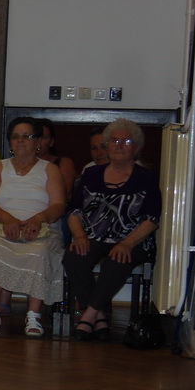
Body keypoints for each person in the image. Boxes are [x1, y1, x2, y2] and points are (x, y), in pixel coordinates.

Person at [64, 118, 160, 341]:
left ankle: (89, 315)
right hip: (94, 236)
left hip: (133, 240)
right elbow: (74, 211)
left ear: (136, 147)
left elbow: (152, 219)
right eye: (114, 141)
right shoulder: (91, 175)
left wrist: (126, 243)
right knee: (74, 256)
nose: (119, 145)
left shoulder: (146, 177)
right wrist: (79, 235)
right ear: (107, 146)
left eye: (126, 141)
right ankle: (99, 317)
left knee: (117, 260)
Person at [0, 117, 67, 337]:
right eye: (15, 137)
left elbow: (59, 205)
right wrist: (7, 219)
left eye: (27, 136)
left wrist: (38, 219)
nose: (20, 140)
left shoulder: (50, 169)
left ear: (38, 142)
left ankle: (33, 316)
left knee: (39, 251)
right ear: (10, 142)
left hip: (41, 229)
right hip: (1, 227)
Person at [35, 117, 77, 191]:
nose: (39, 141)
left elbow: (64, 193)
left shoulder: (63, 163)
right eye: (35, 137)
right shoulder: (19, 164)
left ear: (51, 142)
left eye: (43, 137)